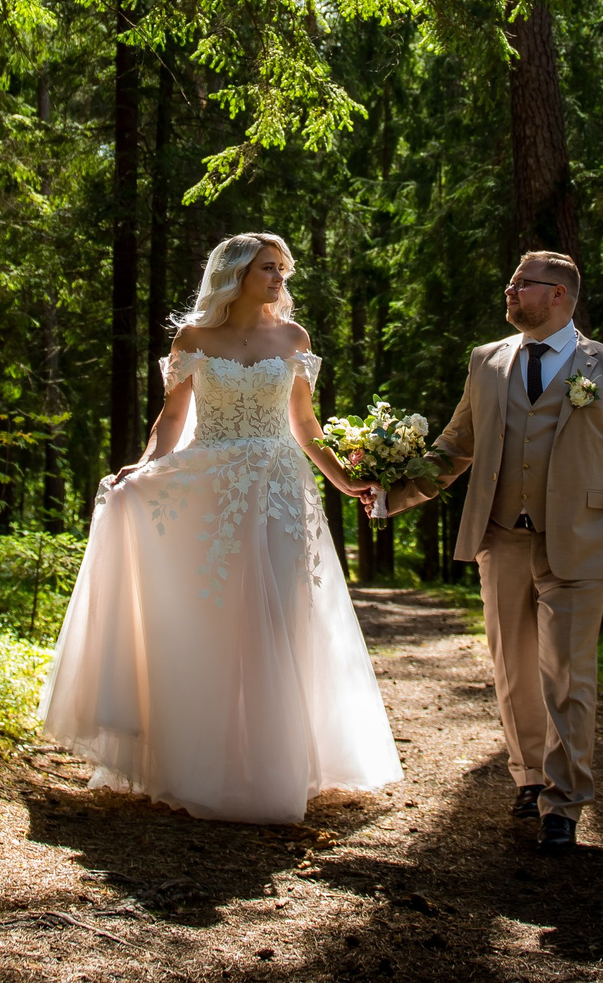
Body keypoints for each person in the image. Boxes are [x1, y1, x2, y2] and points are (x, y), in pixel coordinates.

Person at [40, 232, 401, 822]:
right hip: (211, 491)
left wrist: (340, 479)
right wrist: (147, 464)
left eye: (283, 269)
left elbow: (305, 424)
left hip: (282, 490)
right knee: (216, 618)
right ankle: (204, 763)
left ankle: (274, 768)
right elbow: (174, 416)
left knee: (281, 618)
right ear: (235, 274)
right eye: (269, 268)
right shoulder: (194, 339)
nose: (280, 279)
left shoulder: (293, 338)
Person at [379, 250, 603, 853]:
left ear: (558, 294)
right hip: (501, 537)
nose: (510, 291)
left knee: (569, 676)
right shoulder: (486, 362)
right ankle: (530, 777)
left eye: (521, 284)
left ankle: (566, 801)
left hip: (579, 542)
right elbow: (457, 444)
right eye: (511, 282)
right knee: (513, 671)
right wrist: (389, 491)